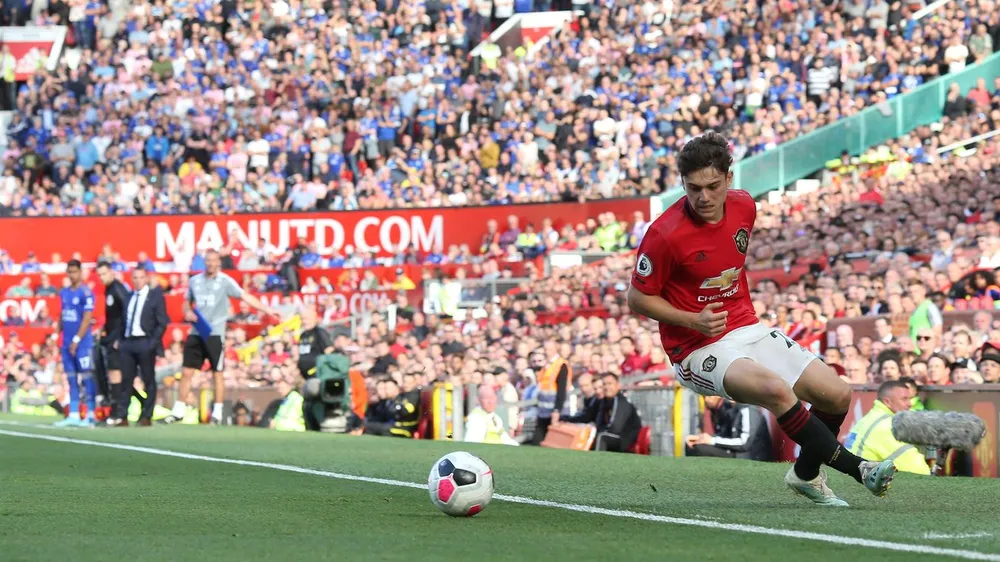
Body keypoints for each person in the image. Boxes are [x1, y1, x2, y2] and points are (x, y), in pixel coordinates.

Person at [627, 132, 896, 507]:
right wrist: (692, 319)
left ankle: (804, 475)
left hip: (747, 327)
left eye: (712, 186)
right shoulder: (664, 234)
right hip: (695, 346)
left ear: (729, 179)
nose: (703, 197)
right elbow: (637, 298)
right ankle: (862, 470)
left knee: (837, 395)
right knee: (776, 391)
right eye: (693, 188)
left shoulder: (744, 207)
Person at [172, 249, 280, 424]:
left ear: (219, 263)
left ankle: (217, 411)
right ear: (204, 262)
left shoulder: (225, 281)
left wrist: (267, 310)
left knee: (217, 372)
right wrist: (187, 312)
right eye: (208, 260)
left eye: (214, 260)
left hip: (215, 332)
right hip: (197, 331)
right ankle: (178, 410)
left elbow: (245, 296)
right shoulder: (195, 281)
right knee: (186, 371)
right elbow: (186, 302)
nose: (211, 264)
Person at [112, 266, 169, 427]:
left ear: (146, 278)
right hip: (128, 342)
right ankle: (123, 415)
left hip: (145, 341)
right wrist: (120, 340)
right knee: (126, 380)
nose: (138, 281)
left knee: (148, 379)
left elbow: (162, 321)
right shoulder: (129, 297)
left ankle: (146, 415)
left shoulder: (155, 297)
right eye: (135, 278)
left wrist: (153, 342)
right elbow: (123, 321)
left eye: (140, 277)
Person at [845, 381, 931, 475]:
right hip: (858, 483)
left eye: (910, 398)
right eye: (904, 399)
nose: (910, 403)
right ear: (887, 402)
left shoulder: (872, 417)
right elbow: (917, 468)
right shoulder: (886, 426)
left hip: (852, 478)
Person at [54, 260, 98, 427]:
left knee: (86, 378)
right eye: (69, 272)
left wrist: (77, 340)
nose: (71, 275)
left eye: (74, 272)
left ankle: (91, 414)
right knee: (71, 379)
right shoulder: (64, 292)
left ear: (80, 272)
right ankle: (73, 413)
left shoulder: (86, 293)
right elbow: (62, 314)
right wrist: (55, 334)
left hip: (82, 343)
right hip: (66, 343)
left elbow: (87, 318)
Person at [96, 261, 132, 421]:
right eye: (99, 275)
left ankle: (118, 412)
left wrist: (120, 337)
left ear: (111, 272)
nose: (102, 277)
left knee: (115, 375)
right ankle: (116, 410)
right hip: (110, 337)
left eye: (104, 274)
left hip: (117, 340)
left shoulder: (117, 289)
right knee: (113, 375)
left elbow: (127, 312)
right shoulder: (109, 289)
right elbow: (115, 316)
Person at [685, 396, 773, 461]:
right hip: (736, 452)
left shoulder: (749, 410)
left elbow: (744, 443)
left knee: (699, 449)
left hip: (748, 457)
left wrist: (712, 440)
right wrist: (701, 438)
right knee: (692, 445)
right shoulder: (731, 408)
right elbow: (724, 434)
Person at [296, 306, 334, 431]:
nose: (304, 321)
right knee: (306, 406)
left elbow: (329, 352)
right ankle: (310, 429)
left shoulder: (319, 333)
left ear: (315, 318)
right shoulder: (303, 335)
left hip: (317, 376)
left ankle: (319, 428)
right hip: (306, 377)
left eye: (307, 318)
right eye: (302, 318)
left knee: (316, 405)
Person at [530, 341, 570, 445]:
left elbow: (562, 390)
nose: (546, 352)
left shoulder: (561, 365)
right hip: (543, 410)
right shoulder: (546, 365)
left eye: (549, 349)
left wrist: (557, 410)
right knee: (538, 441)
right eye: (545, 349)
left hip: (554, 410)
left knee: (554, 442)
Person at [593, 373, 642, 452]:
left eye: (610, 384)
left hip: (625, 440)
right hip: (614, 436)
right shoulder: (604, 401)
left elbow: (616, 428)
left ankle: (597, 462)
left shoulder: (621, 401)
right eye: (604, 384)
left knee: (602, 437)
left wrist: (601, 430)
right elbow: (599, 423)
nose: (606, 387)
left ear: (618, 385)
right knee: (592, 435)